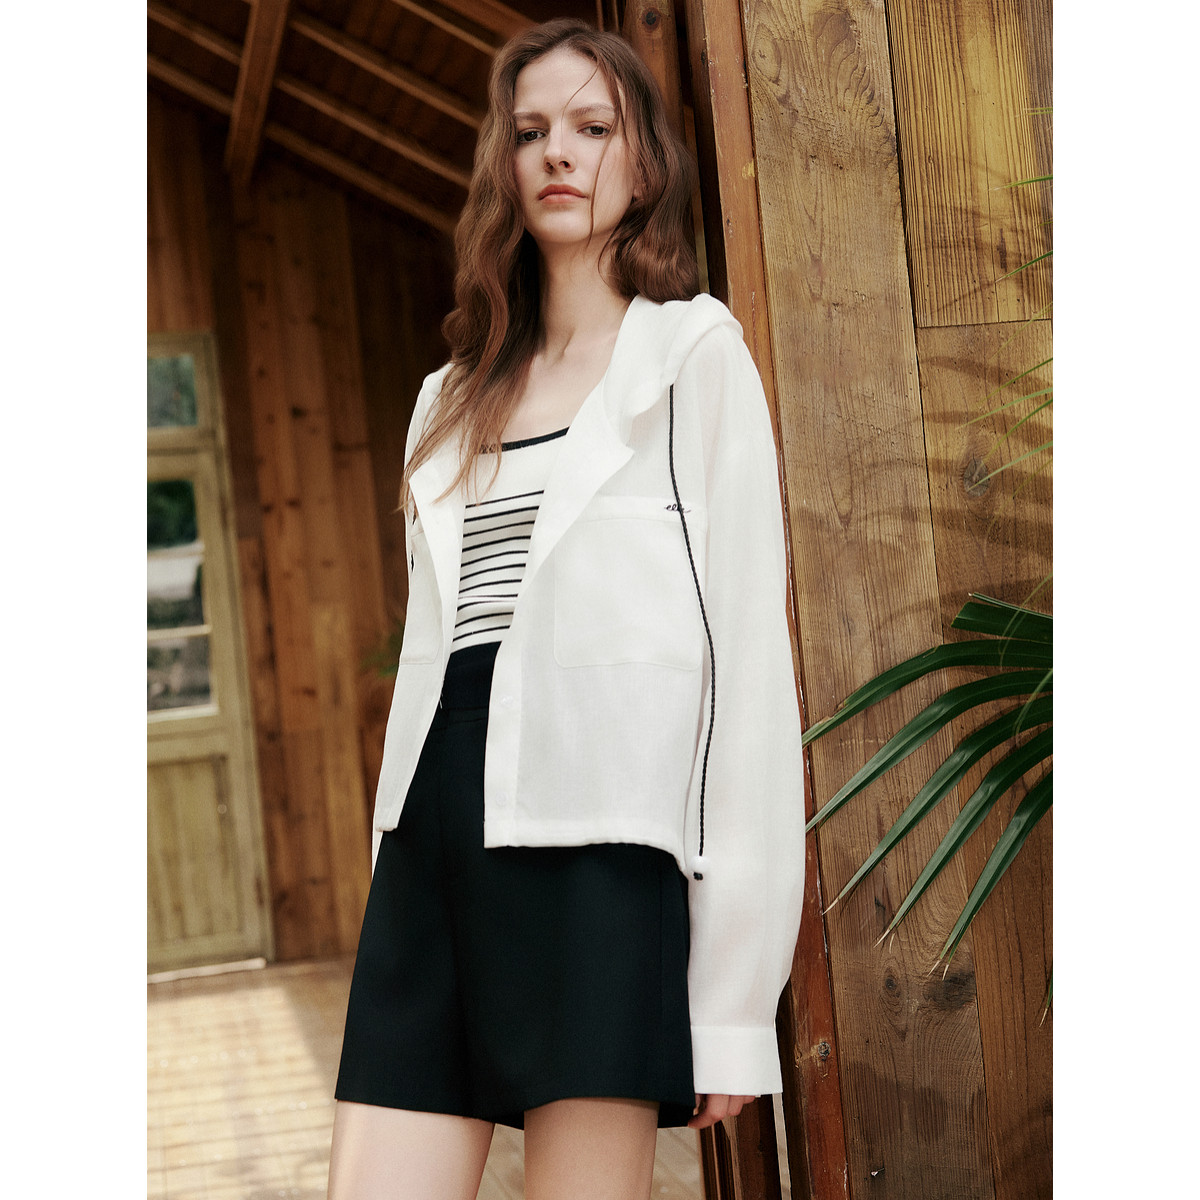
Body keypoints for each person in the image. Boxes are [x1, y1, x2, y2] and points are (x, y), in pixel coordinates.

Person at [327, 18, 805, 1200]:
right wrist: (392, 845)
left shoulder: (692, 359)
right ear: (503, 163)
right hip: (437, 837)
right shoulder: (447, 399)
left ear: (644, 163)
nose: (558, 152)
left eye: (593, 127)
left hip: (601, 847)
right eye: (532, 130)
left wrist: (732, 1003)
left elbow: (746, 677)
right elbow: (436, 654)